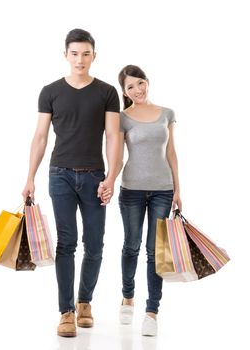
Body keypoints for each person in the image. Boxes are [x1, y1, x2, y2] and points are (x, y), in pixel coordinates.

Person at [22, 28, 120, 337]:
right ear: (66, 55)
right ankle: (66, 312)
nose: (80, 59)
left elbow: (114, 137)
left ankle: (84, 303)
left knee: (94, 244)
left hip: (94, 177)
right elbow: (40, 137)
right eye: (74, 53)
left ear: (94, 56)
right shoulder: (50, 91)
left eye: (86, 53)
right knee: (66, 243)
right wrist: (29, 178)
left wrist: (111, 177)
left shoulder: (106, 92)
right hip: (60, 175)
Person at [115, 65, 182, 336]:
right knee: (131, 246)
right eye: (130, 87)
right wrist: (108, 182)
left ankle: (152, 311)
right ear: (125, 92)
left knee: (155, 252)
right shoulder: (122, 117)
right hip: (131, 189)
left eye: (140, 83)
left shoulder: (167, 114)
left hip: (163, 191)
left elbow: (172, 152)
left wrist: (178, 189)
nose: (137, 90)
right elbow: (117, 157)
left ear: (147, 82)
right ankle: (127, 296)